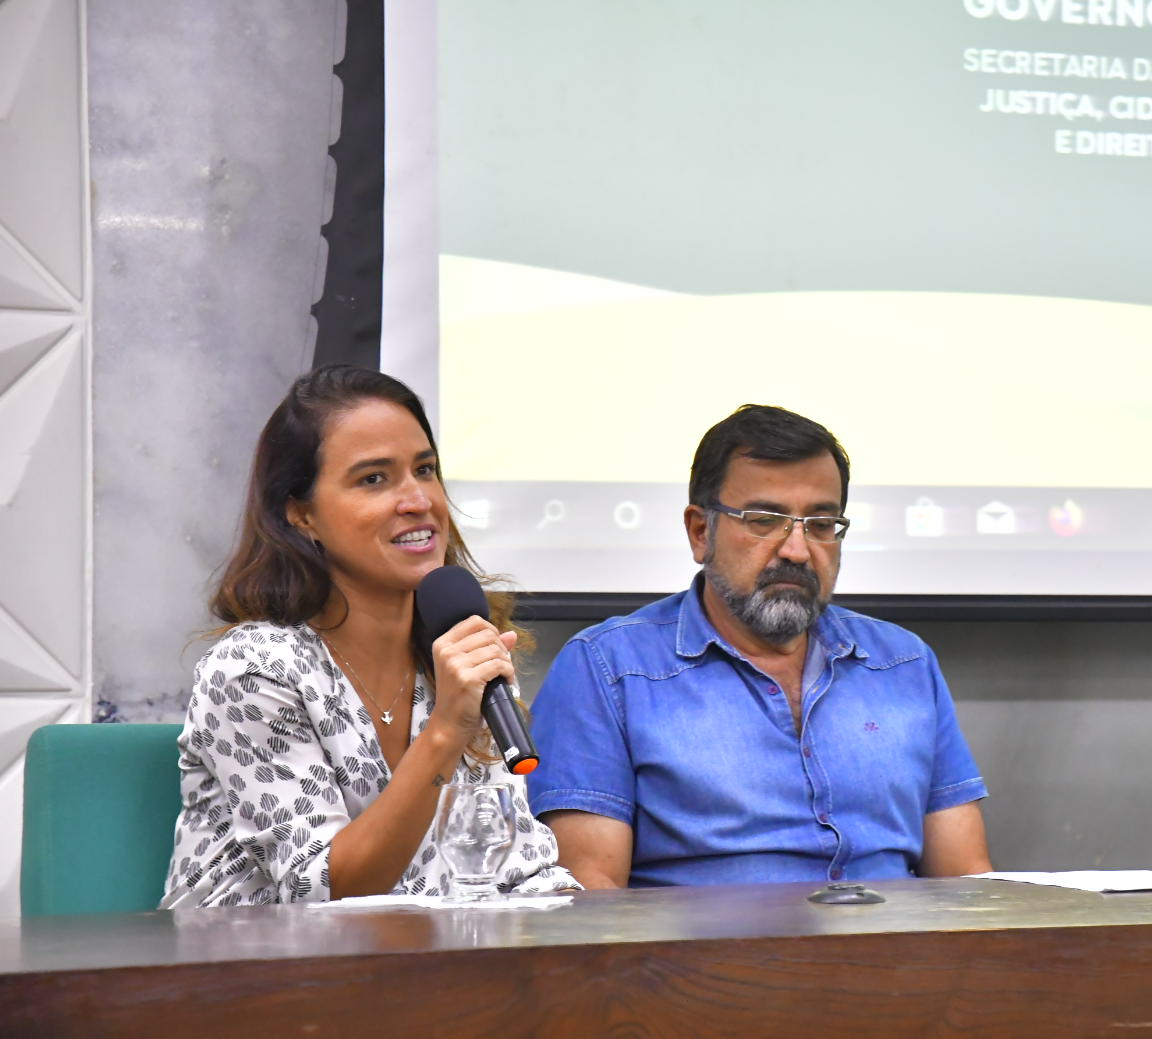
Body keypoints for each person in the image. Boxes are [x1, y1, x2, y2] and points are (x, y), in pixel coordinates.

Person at [162, 366, 578, 906]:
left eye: (425, 470)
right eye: (374, 479)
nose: (418, 500)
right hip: (262, 972)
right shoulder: (252, 669)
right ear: (301, 513)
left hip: (429, 967)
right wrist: (447, 729)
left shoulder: (460, 651)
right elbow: (323, 890)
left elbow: (519, 867)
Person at [528, 405, 991, 888]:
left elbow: (964, 883)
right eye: (765, 520)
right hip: (701, 960)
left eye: (821, 524)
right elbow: (589, 900)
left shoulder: (903, 663)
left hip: (899, 956)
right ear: (700, 532)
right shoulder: (609, 670)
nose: (796, 550)